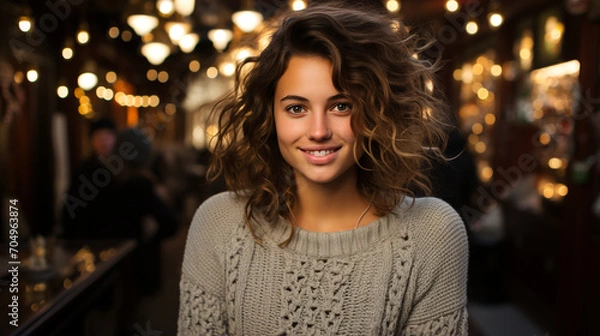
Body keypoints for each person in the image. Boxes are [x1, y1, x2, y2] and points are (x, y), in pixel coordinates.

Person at [178, 3, 468, 335]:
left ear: (377, 112)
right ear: (269, 116)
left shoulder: (432, 233)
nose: (318, 131)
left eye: (341, 106)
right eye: (296, 108)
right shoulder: (219, 224)